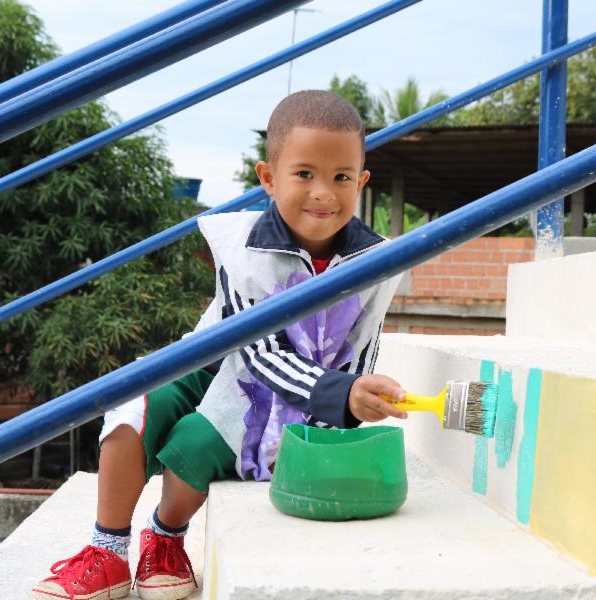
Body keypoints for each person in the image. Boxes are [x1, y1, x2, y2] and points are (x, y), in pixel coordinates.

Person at [29, 90, 408, 600]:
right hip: (222, 357)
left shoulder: (377, 263)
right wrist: (341, 391)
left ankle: (164, 537)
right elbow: (257, 351)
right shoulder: (243, 247)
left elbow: (361, 347)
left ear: (361, 182)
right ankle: (107, 551)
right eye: (304, 174)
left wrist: (354, 398)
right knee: (137, 399)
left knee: (196, 442)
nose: (323, 192)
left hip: (298, 384)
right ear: (268, 179)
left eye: (341, 177)